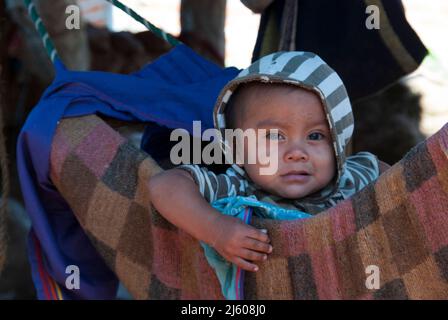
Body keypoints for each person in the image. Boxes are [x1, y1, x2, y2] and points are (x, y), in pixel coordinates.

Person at [149, 51, 386, 273]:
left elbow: (406, 183)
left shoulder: (355, 177)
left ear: (338, 141)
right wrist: (216, 229)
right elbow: (163, 185)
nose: (296, 153)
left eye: (315, 136)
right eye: (274, 136)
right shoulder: (237, 189)